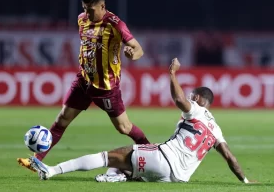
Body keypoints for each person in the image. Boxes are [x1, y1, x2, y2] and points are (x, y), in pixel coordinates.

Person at [28, 58, 256, 184]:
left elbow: (178, 98)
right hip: (177, 179)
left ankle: (52, 170)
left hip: (163, 158)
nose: (189, 98)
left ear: (197, 98)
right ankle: (120, 177)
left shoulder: (194, 108)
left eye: (191, 96)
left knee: (106, 157)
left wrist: (172, 73)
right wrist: (245, 181)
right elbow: (231, 158)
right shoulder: (216, 129)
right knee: (135, 165)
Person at [17, 0, 150, 172]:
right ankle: (35, 161)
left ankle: (151, 151)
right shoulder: (82, 19)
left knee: (124, 127)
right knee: (62, 119)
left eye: (91, 10)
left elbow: (138, 49)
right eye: (85, 9)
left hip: (106, 87)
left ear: (102, 7)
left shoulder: (115, 24)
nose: (87, 14)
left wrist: (131, 53)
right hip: (83, 81)